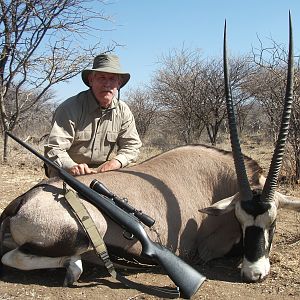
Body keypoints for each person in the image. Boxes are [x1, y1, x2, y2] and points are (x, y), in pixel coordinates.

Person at [44, 53, 142, 177]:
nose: (107, 84)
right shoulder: (70, 108)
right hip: (69, 173)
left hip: (103, 173)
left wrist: (117, 162)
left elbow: (132, 146)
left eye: (112, 79)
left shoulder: (123, 110)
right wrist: (71, 166)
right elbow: (54, 148)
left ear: (119, 83)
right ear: (91, 80)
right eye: (102, 78)